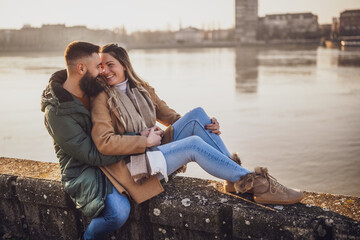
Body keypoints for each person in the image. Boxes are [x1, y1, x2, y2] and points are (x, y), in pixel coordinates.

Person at [90, 43, 304, 226]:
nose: (105, 71)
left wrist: (205, 126)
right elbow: (104, 142)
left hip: (156, 148)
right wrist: (143, 140)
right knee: (193, 145)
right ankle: (255, 183)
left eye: (110, 65)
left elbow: (173, 117)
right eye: (101, 66)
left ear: (124, 65)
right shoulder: (102, 97)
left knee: (198, 115)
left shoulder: (143, 89)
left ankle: (234, 177)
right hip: (137, 162)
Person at [41, 41, 131, 240]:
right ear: (81, 68)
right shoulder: (56, 113)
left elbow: (134, 102)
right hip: (83, 170)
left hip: (110, 156)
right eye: (98, 66)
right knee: (117, 213)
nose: (102, 71)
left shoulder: (94, 87)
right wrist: (137, 143)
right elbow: (91, 154)